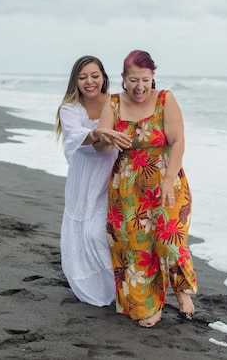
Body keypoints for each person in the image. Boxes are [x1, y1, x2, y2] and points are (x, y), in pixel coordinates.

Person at [95, 50, 197, 327]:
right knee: (137, 248)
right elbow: (101, 144)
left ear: (153, 77)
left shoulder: (165, 99)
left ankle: (183, 291)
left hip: (168, 180)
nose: (139, 87)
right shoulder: (113, 103)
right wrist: (104, 136)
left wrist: (166, 180)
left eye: (145, 79)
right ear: (123, 79)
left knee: (169, 240)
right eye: (133, 80)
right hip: (128, 187)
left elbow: (178, 142)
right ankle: (152, 304)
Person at [55, 55, 131, 306]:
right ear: (75, 81)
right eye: (83, 77)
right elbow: (76, 135)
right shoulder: (69, 108)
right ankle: (95, 286)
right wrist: (97, 132)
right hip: (84, 175)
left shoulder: (116, 102)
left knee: (99, 231)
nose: (89, 81)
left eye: (94, 75)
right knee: (83, 232)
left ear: (103, 77)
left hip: (111, 172)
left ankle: (121, 287)